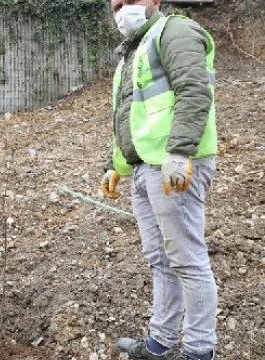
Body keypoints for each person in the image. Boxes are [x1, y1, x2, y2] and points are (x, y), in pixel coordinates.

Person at [101, 1, 218, 359]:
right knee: (161, 259)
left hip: (172, 165)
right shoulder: (132, 52)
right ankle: (161, 342)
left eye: (131, 1)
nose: (123, 9)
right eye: (117, 4)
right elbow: (128, 116)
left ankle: (199, 351)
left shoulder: (175, 32)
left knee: (187, 259)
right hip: (143, 169)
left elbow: (194, 92)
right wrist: (115, 166)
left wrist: (180, 153)